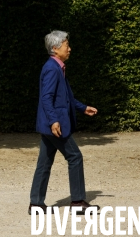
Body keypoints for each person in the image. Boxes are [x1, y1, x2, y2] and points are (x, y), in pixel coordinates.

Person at [29, 30, 100, 215]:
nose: (69, 48)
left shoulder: (57, 67)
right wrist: (54, 121)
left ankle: (36, 204)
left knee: (44, 163)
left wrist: (83, 108)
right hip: (54, 125)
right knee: (75, 157)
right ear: (55, 48)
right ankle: (77, 202)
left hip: (49, 124)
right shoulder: (52, 68)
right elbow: (47, 97)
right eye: (66, 45)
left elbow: (66, 97)